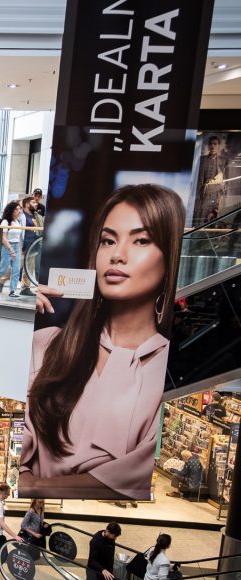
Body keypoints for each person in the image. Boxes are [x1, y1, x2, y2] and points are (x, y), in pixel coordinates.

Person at [24, 185, 184, 500]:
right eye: (108, 240)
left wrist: (34, 484)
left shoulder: (169, 373)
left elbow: (133, 479)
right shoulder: (46, 344)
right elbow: (18, 429)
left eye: (141, 240)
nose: (117, 255)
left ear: (171, 257)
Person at [18, 499, 48, 580]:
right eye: (39, 502)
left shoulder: (42, 510)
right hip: (30, 539)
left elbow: (38, 523)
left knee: (33, 558)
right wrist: (34, 533)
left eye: (42, 502)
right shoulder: (31, 511)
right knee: (29, 559)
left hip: (36, 539)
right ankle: (29, 577)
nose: (41, 504)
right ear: (34, 501)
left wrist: (44, 525)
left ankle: (25, 573)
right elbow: (23, 525)